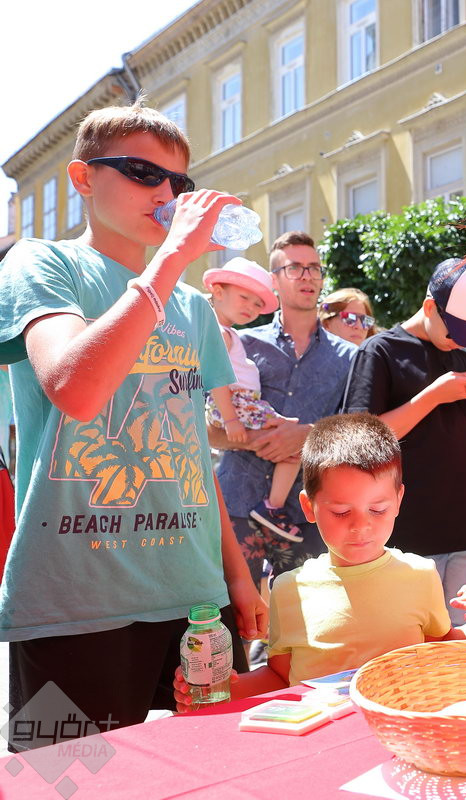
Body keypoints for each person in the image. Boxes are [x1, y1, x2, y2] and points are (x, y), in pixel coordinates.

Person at [0, 100, 266, 745]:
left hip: (197, 600)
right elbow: (75, 388)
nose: (166, 194)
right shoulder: (43, 264)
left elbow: (192, 455)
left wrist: (235, 576)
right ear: (83, 178)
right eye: (144, 173)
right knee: (65, 783)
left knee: (212, 772)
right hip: (74, 604)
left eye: (180, 181)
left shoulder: (194, 308)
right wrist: (171, 258)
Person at [172, 413, 466, 703]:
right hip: (323, 742)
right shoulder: (288, 589)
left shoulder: (420, 574)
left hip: (397, 737)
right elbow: (280, 677)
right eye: (341, 512)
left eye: (377, 509)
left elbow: (438, 648)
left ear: (398, 501)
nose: (361, 525)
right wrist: (221, 689)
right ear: (309, 507)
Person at [341, 259, 466, 625]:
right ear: (429, 307)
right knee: (409, 643)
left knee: (465, 643)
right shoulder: (380, 351)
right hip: (405, 537)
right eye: (456, 330)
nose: (461, 341)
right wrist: (433, 396)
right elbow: (358, 441)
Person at [210, 231, 357, 583]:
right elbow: (207, 428)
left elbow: (358, 433)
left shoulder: (350, 357)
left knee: (306, 613)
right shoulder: (240, 344)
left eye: (314, 268)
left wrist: (307, 436)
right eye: (294, 268)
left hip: (306, 513)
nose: (307, 276)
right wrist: (261, 441)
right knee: (233, 612)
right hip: (236, 504)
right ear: (273, 281)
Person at [203, 257, 302, 542]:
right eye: (244, 297)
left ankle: (273, 506)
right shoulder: (219, 334)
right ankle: (273, 507)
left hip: (243, 404)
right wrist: (231, 419)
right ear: (218, 291)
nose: (251, 307)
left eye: (258, 304)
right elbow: (217, 379)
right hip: (238, 404)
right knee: (294, 446)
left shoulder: (225, 332)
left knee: (291, 440)